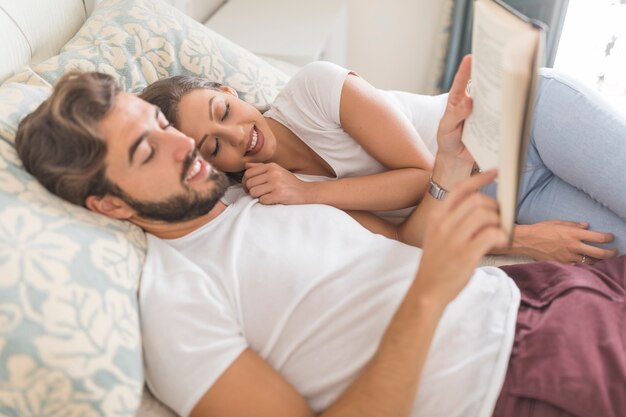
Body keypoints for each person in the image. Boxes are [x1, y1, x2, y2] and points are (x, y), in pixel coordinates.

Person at [14, 57, 626, 417]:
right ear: (109, 203)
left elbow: (406, 243)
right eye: (149, 148)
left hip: (539, 295)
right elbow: (423, 275)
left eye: (157, 122)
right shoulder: (175, 302)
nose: (180, 143)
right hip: (515, 380)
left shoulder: (257, 194)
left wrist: (444, 164)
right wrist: (429, 296)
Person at [139, 59, 626, 264]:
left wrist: (310, 192)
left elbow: (422, 175)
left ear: (229, 92)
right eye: (212, 147)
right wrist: (523, 239)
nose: (235, 136)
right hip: (508, 200)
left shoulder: (314, 87)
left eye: (223, 112)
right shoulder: (268, 201)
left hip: (524, 116)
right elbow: (401, 241)